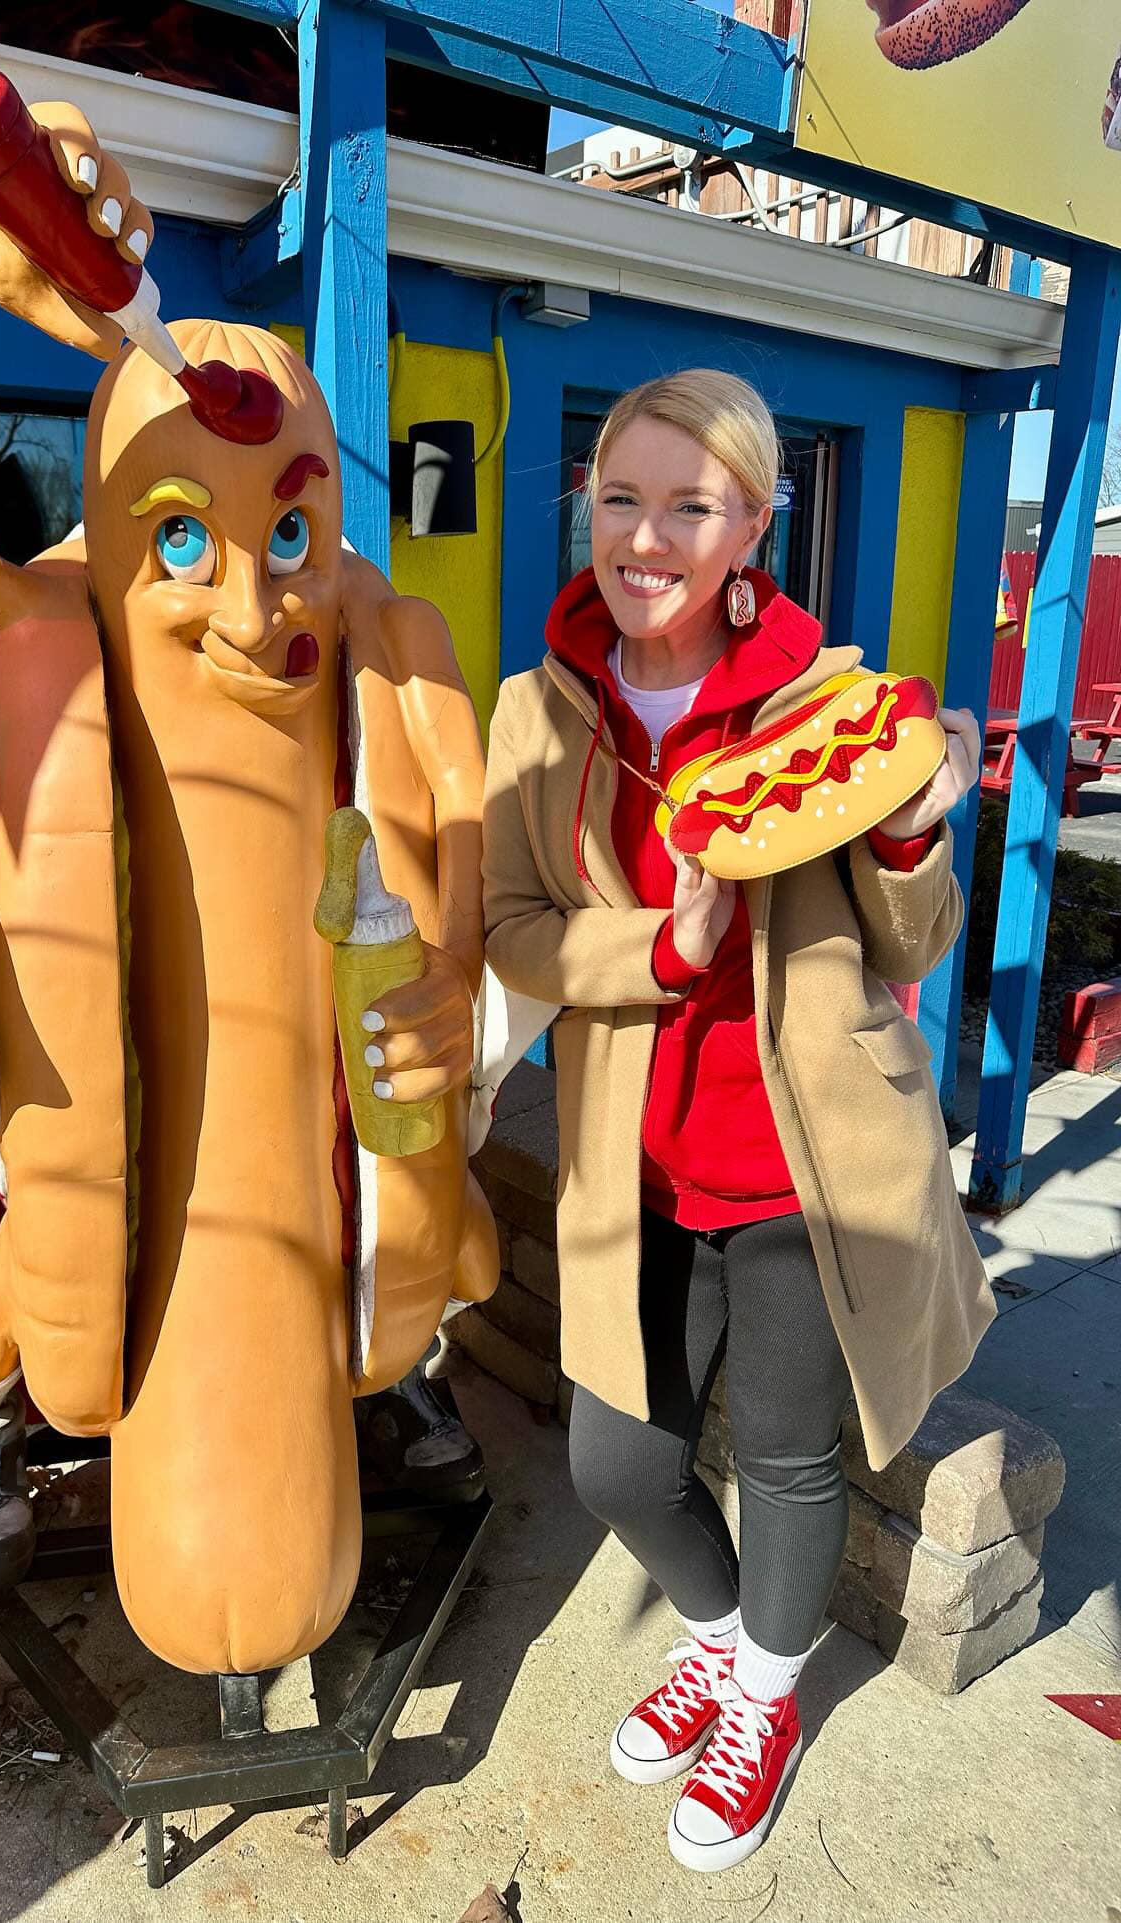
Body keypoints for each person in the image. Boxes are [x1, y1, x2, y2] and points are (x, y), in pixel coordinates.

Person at [481, 370, 991, 1873]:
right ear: (588, 503)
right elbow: (511, 929)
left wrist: (908, 830)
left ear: (754, 523)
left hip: (804, 1164)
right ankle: (717, 1637)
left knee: (782, 1454)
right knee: (618, 1465)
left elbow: (915, 942)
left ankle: (764, 1688)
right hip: (630, 1159)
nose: (648, 537)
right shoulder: (536, 711)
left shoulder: (835, 711)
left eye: (691, 506)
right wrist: (664, 950)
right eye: (622, 497)